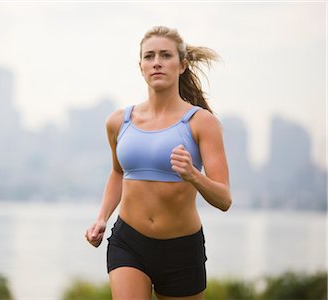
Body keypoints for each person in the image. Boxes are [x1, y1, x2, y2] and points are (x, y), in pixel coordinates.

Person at [85, 25, 232, 300]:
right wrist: (101, 217)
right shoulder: (118, 121)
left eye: (165, 55)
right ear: (140, 66)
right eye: (149, 56)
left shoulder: (202, 123)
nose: (156, 63)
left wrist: (193, 175)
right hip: (129, 242)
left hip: (181, 249)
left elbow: (224, 199)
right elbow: (118, 173)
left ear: (182, 65)